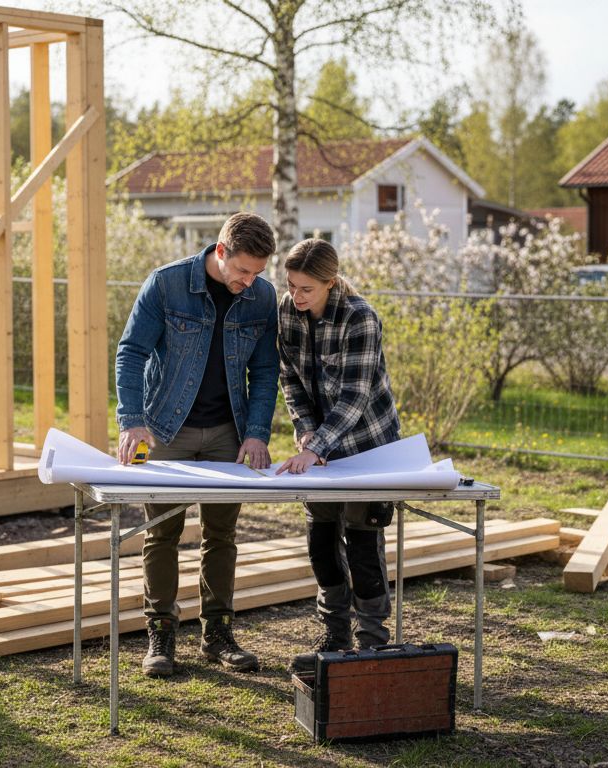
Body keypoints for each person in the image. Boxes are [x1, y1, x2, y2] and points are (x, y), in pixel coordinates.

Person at [115, 212, 280, 678]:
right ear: (221, 251)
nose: (249, 282)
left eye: (257, 273)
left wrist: (257, 432)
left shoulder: (262, 298)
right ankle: (161, 634)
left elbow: (265, 372)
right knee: (162, 532)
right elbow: (131, 353)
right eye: (243, 271)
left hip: (229, 432)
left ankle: (218, 633)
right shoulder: (166, 285)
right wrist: (132, 421)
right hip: (165, 429)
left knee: (221, 534)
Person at [273, 238, 401, 673]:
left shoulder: (359, 317)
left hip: (367, 444)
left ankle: (371, 638)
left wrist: (319, 446)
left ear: (331, 282)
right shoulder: (287, 312)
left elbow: (355, 396)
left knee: (363, 543)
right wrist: (307, 435)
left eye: (306, 289)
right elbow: (290, 379)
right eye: (291, 285)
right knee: (321, 539)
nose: (297, 296)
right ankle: (335, 630)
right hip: (319, 449)